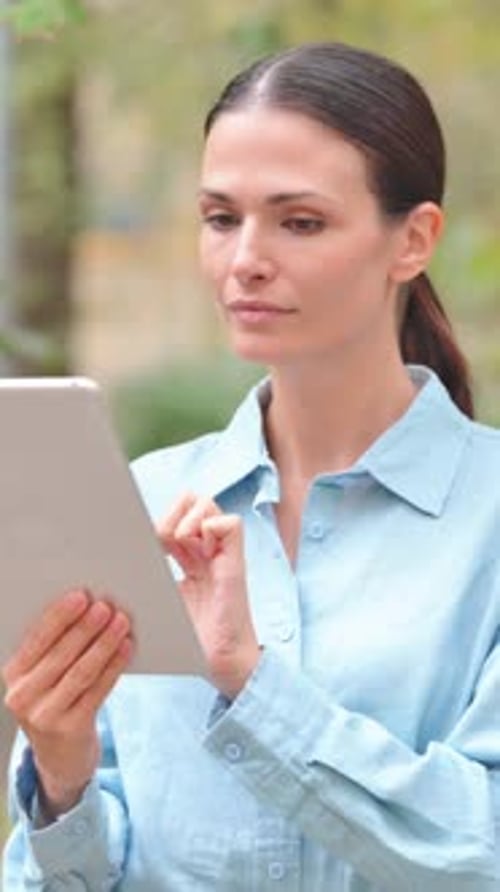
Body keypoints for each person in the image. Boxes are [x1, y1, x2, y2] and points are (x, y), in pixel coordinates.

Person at [2, 40, 499, 891]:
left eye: (299, 221)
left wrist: (252, 682)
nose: (245, 261)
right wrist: (62, 774)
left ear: (412, 239)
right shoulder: (141, 502)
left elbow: (481, 848)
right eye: (221, 218)